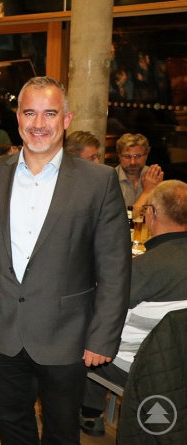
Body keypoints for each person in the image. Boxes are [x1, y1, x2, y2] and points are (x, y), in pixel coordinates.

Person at [0, 76, 132, 443]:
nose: (39, 124)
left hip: (67, 335)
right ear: (17, 118)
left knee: (61, 432)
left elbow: (115, 268)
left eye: (49, 113)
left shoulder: (98, 182)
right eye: (30, 113)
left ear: (65, 119)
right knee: (11, 424)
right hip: (0, 328)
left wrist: (103, 336)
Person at [79, 180, 187, 437]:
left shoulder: (146, 269)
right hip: (177, 360)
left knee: (62, 332)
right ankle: (89, 411)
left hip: (137, 366)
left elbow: (98, 315)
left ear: (151, 214)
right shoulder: (155, 264)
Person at [115, 133, 164, 214]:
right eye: (127, 156)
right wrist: (147, 192)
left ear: (146, 155)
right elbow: (122, 220)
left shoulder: (154, 176)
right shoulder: (109, 179)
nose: (133, 162)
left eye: (138, 156)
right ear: (119, 156)